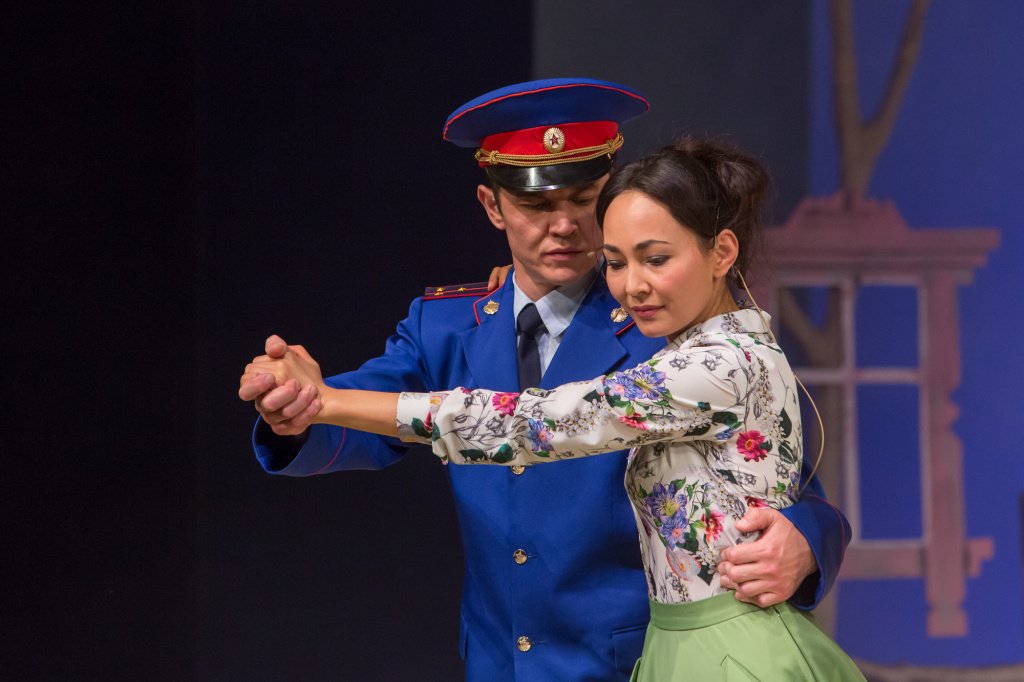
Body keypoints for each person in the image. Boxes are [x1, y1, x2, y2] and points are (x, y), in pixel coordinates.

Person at [239, 79, 851, 681]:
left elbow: (781, 473)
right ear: (493, 206)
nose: (565, 226)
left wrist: (804, 542)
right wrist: (299, 406)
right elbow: (362, 418)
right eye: (537, 205)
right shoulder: (446, 325)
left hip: (630, 662)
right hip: (500, 663)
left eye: (585, 199)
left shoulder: (669, 329)